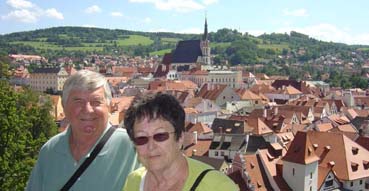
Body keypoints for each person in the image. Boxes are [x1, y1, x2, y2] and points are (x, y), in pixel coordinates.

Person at [26, 70, 138, 191]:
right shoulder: (50, 150)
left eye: (96, 102)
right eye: (78, 102)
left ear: (109, 106)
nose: (88, 110)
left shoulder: (132, 148)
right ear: (64, 106)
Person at [123, 92, 239, 191]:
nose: (151, 147)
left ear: (179, 138)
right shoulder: (133, 182)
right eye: (141, 138)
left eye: (160, 136)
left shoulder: (218, 187)